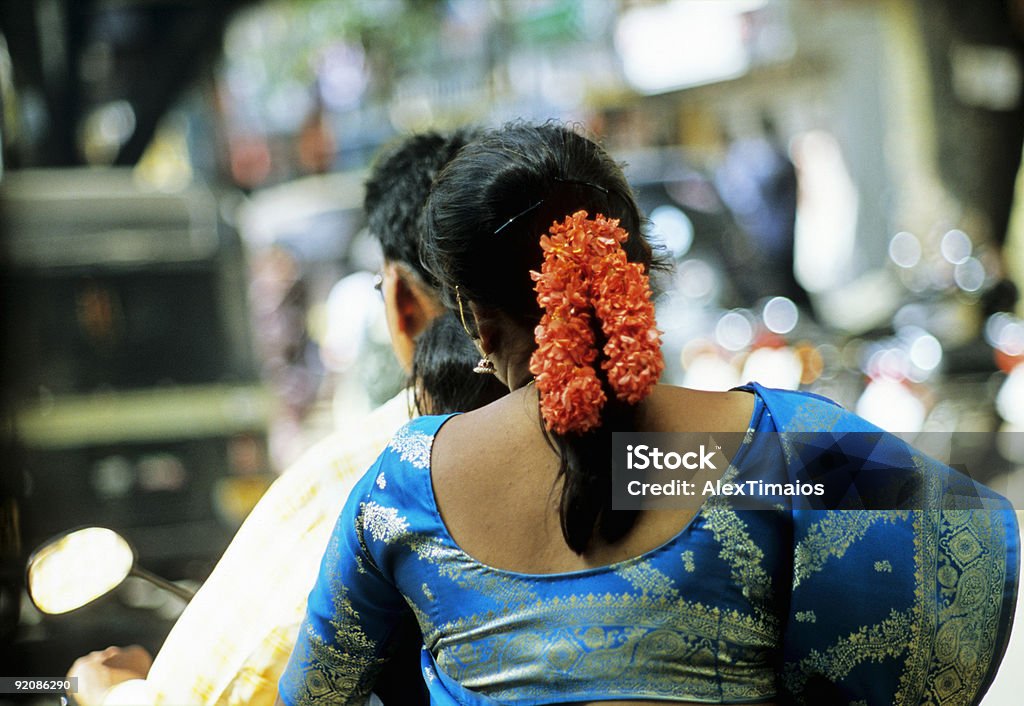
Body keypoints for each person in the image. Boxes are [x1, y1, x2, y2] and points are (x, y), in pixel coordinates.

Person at [279, 122, 1019, 706]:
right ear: (635, 275)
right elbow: (964, 566)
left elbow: (315, 693)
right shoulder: (769, 452)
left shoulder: (405, 485)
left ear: (473, 315)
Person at [66, 129, 505, 706]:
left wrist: (101, 696)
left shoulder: (392, 474)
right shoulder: (649, 450)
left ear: (402, 302)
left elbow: (293, 693)